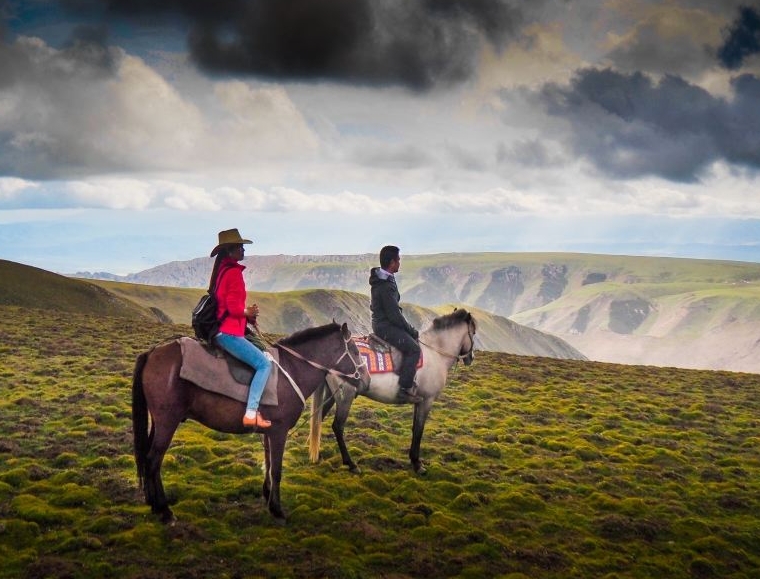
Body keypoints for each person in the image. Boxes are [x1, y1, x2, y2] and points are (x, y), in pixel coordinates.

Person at [209, 228, 272, 429]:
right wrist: (248, 311)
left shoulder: (221, 272)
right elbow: (233, 308)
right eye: (240, 247)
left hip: (221, 329)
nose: (243, 250)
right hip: (229, 333)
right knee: (264, 365)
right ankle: (251, 412)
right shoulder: (234, 273)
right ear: (231, 251)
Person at [369, 245, 422, 402]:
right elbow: (394, 316)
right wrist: (412, 330)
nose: (399, 263)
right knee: (414, 349)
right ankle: (404, 389)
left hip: (382, 323)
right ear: (392, 262)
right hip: (385, 326)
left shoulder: (383, 278)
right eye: (398, 260)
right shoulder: (385, 285)